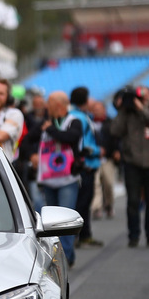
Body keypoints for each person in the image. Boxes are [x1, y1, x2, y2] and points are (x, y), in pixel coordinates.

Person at [109, 85, 149, 248]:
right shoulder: (126, 114)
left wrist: (142, 109)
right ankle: (133, 236)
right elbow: (115, 130)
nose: (142, 98)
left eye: (145, 95)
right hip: (132, 162)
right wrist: (122, 110)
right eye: (140, 95)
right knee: (133, 201)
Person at [35, 91, 83, 266]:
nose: (47, 106)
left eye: (49, 103)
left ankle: (66, 258)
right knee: (52, 222)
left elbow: (71, 137)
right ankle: (58, 256)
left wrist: (51, 130)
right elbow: (30, 140)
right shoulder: (45, 122)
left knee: (66, 220)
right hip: (49, 179)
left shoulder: (74, 121)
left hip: (67, 179)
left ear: (58, 105)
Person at [67, 86, 102, 248]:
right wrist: (96, 151)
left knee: (84, 201)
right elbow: (82, 143)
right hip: (86, 164)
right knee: (81, 202)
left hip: (86, 164)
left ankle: (85, 234)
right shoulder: (79, 117)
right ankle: (78, 236)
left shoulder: (79, 116)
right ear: (85, 100)